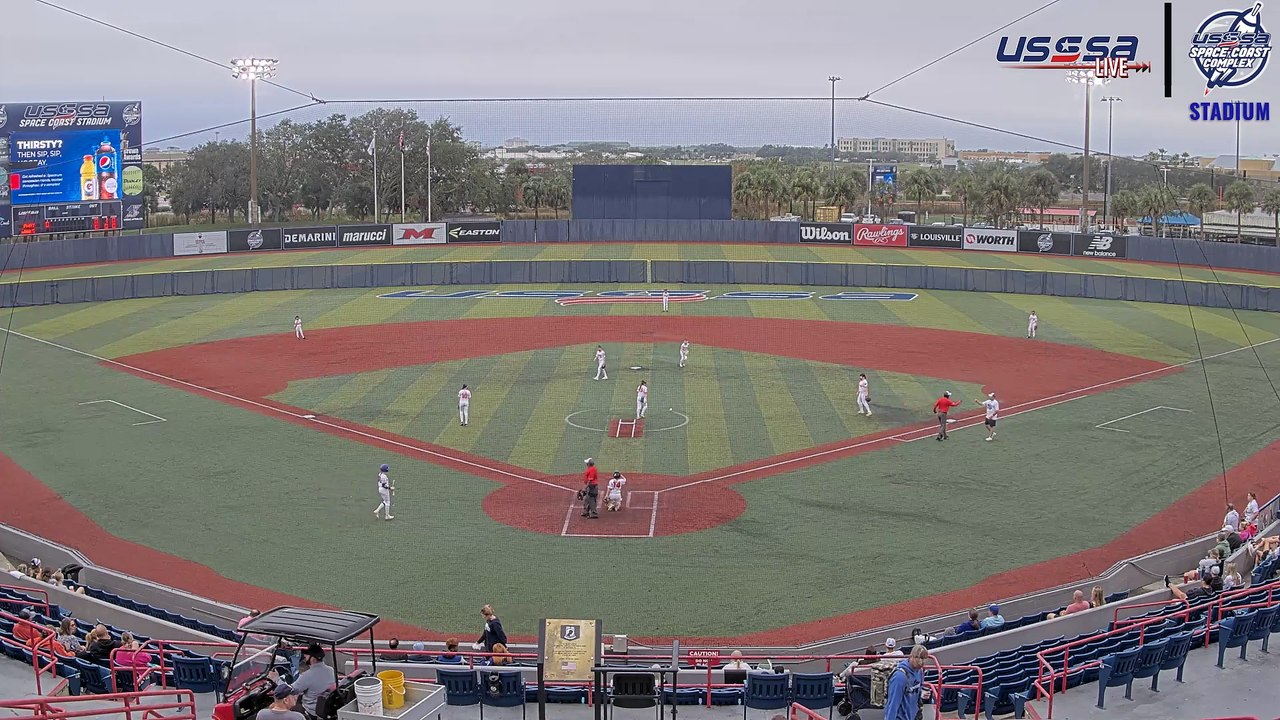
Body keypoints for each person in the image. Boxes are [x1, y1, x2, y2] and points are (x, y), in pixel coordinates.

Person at [280, 645, 335, 718]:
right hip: (327, 706)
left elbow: (290, 690)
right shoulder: (331, 670)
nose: (304, 658)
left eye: (306, 656)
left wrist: (277, 679)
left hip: (312, 711)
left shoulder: (307, 676)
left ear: (313, 659)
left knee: (288, 707)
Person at [882, 645, 930, 720]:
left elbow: (917, 694)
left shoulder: (919, 671)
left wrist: (922, 694)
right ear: (911, 657)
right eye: (918, 661)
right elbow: (892, 705)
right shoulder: (899, 677)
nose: (921, 664)